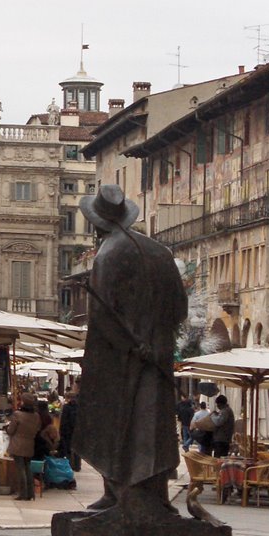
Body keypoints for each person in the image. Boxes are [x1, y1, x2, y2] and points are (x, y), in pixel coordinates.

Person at [75, 184, 188, 514]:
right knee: (155, 421)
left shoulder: (108, 254)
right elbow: (179, 309)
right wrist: (155, 338)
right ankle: (154, 494)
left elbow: (102, 316)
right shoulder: (161, 253)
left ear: (97, 224)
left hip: (118, 357)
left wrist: (129, 345)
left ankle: (116, 491)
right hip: (159, 353)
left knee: (113, 419)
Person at [6, 393, 42, 501]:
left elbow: (11, 430)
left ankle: (23, 493)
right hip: (30, 445)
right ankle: (30, 493)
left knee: (20, 468)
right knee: (27, 468)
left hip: (18, 445)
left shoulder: (17, 414)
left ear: (23, 402)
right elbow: (37, 429)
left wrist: (6, 428)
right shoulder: (36, 416)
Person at [58, 392, 81, 471]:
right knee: (77, 449)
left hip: (67, 431)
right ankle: (77, 466)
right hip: (77, 431)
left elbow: (63, 420)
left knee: (68, 448)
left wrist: (61, 431)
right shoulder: (79, 407)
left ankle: (69, 465)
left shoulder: (66, 407)